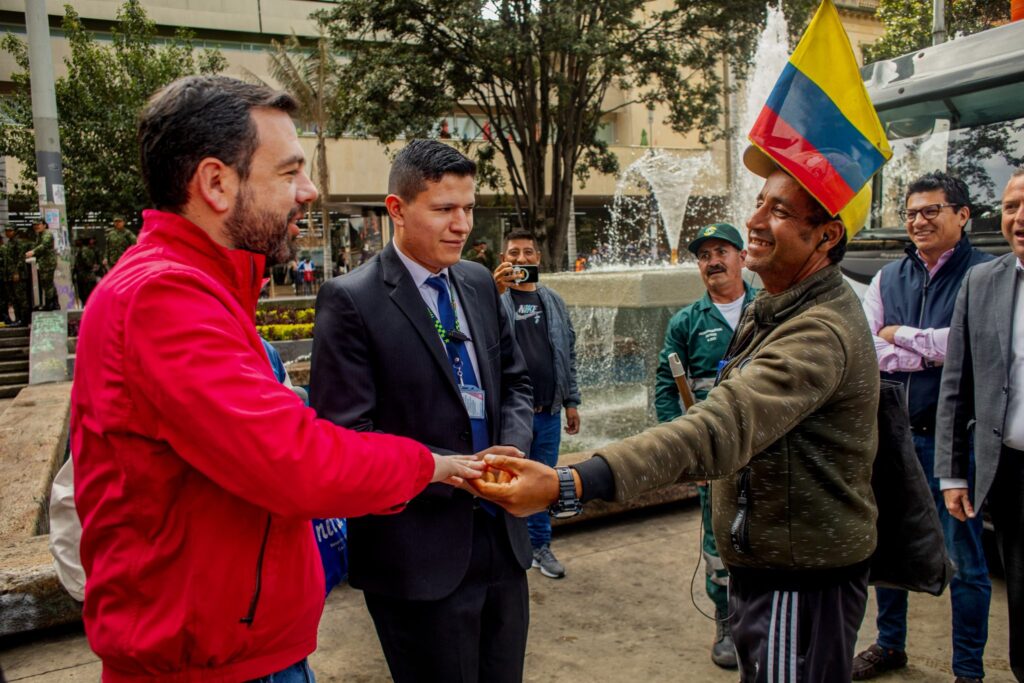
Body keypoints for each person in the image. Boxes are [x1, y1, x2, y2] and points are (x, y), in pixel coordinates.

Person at [70, 75, 489, 682]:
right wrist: (431, 465)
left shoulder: (200, 288)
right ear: (217, 183)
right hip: (212, 664)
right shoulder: (163, 297)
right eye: (289, 172)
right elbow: (296, 459)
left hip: (246, 649)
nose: (309, 190)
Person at [472, 159, 881, 683]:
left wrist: (569, 482)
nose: (754, 220)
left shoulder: (818, 332)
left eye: (778, 210)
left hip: (798, 577)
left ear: (826, 236)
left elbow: (717, 426)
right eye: (759, 202)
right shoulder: (774, 309)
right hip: (773, 563)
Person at [310, 139, 534, 683]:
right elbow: (346, 435)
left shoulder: (480, 283)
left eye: (469, 208)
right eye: (443, 209)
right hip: (416, 556)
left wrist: (512, 450)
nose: (462, 225)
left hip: (501, 543)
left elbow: (516, 381)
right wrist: (455, 471)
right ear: (397, 210)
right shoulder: (350, 300)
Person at [854, 171, 993, 683]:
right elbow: (868, 349)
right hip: (894, 437)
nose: (918, 221)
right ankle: (890, 645)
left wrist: (903, 336)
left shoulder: (987, 274)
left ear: (962, 215)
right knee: (887, 547)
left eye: (930, 210)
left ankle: (968, 671)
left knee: (966, 562)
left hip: (958, 443)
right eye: (911, 212)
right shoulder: (889, 277)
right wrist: (930, 349)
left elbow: (973, 345)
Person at [653, 222, 757, 669]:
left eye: (721, 251)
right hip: (712, 456)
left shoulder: (769, 308)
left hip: (765, 449)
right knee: (718, 541)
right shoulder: (686, 323)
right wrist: (682, 447)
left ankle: (765, 618)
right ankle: (727, 620)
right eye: (703, 255)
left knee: (768, 534)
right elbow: (664, 384)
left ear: (742, 258)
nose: (712, 261)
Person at [937, 169, 1024, 683]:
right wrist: (952, 474)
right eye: (1011, 205)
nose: (1018, 217)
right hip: (1012, 476)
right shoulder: (983, 282)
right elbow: (957, 384)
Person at [493, 228, 581, 579]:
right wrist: (493, 290)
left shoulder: (553, 301)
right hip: (510, 416)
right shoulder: (494, 301)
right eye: (514, 253)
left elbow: (568, 353)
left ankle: (540, 547)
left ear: (538, 259)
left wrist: (572, 400)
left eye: (528, 252)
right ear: (504, 259)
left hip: (548, 413)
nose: (521, 259)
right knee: (506, 483)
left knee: (544, 484)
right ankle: (510, 549)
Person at [24, 220, 57, 310]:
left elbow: (44, 245)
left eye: (38, 225)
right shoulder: (40, 235)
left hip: (48, 263)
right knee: (47, 283)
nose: (36, 226)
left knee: (47, 283)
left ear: (44, 225)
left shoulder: (47, 234)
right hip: (43, 263)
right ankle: (54, 303)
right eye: (35, 225)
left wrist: (33, 252)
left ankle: (50, 304)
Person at [0, 226, 30, 325]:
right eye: (7, 231)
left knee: (21, 298)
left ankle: (25, 319)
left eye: (10, 230)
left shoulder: (18, 243)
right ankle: (18, 319)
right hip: (8, 276)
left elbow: (21, 258)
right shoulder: (7, 244)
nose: (8, 233)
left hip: (18, 275)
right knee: (13, 298)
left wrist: (17, 272)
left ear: (15, 231)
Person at [73, 237, 100, 307]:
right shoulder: (91, 250)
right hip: (90, 276)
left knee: (84, 295)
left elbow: (86, 262)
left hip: (84, 276)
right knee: (89, 296)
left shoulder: (83, 250)